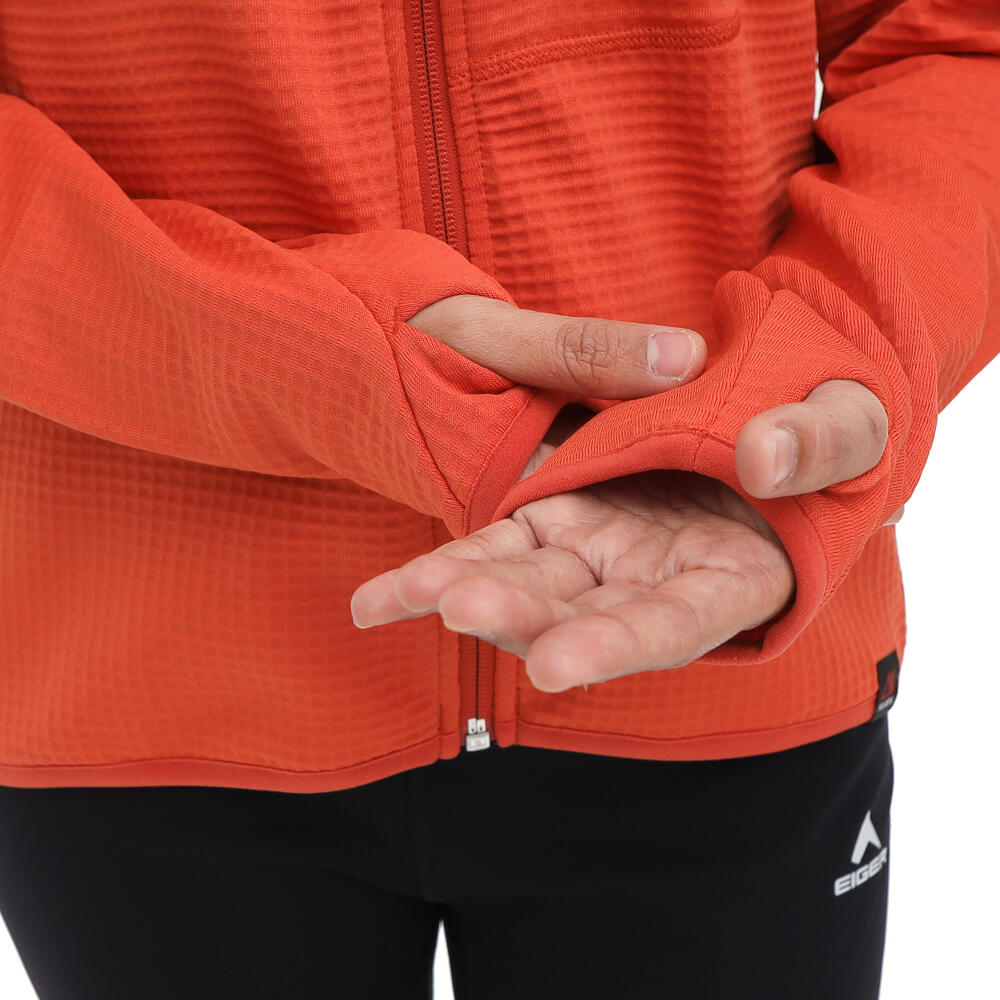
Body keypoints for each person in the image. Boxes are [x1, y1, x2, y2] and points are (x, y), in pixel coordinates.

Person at [0, 1, 995, 997]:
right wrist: (322, 358)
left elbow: (958, 38)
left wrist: (833, 350)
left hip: (723, 628)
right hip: (143, 685)